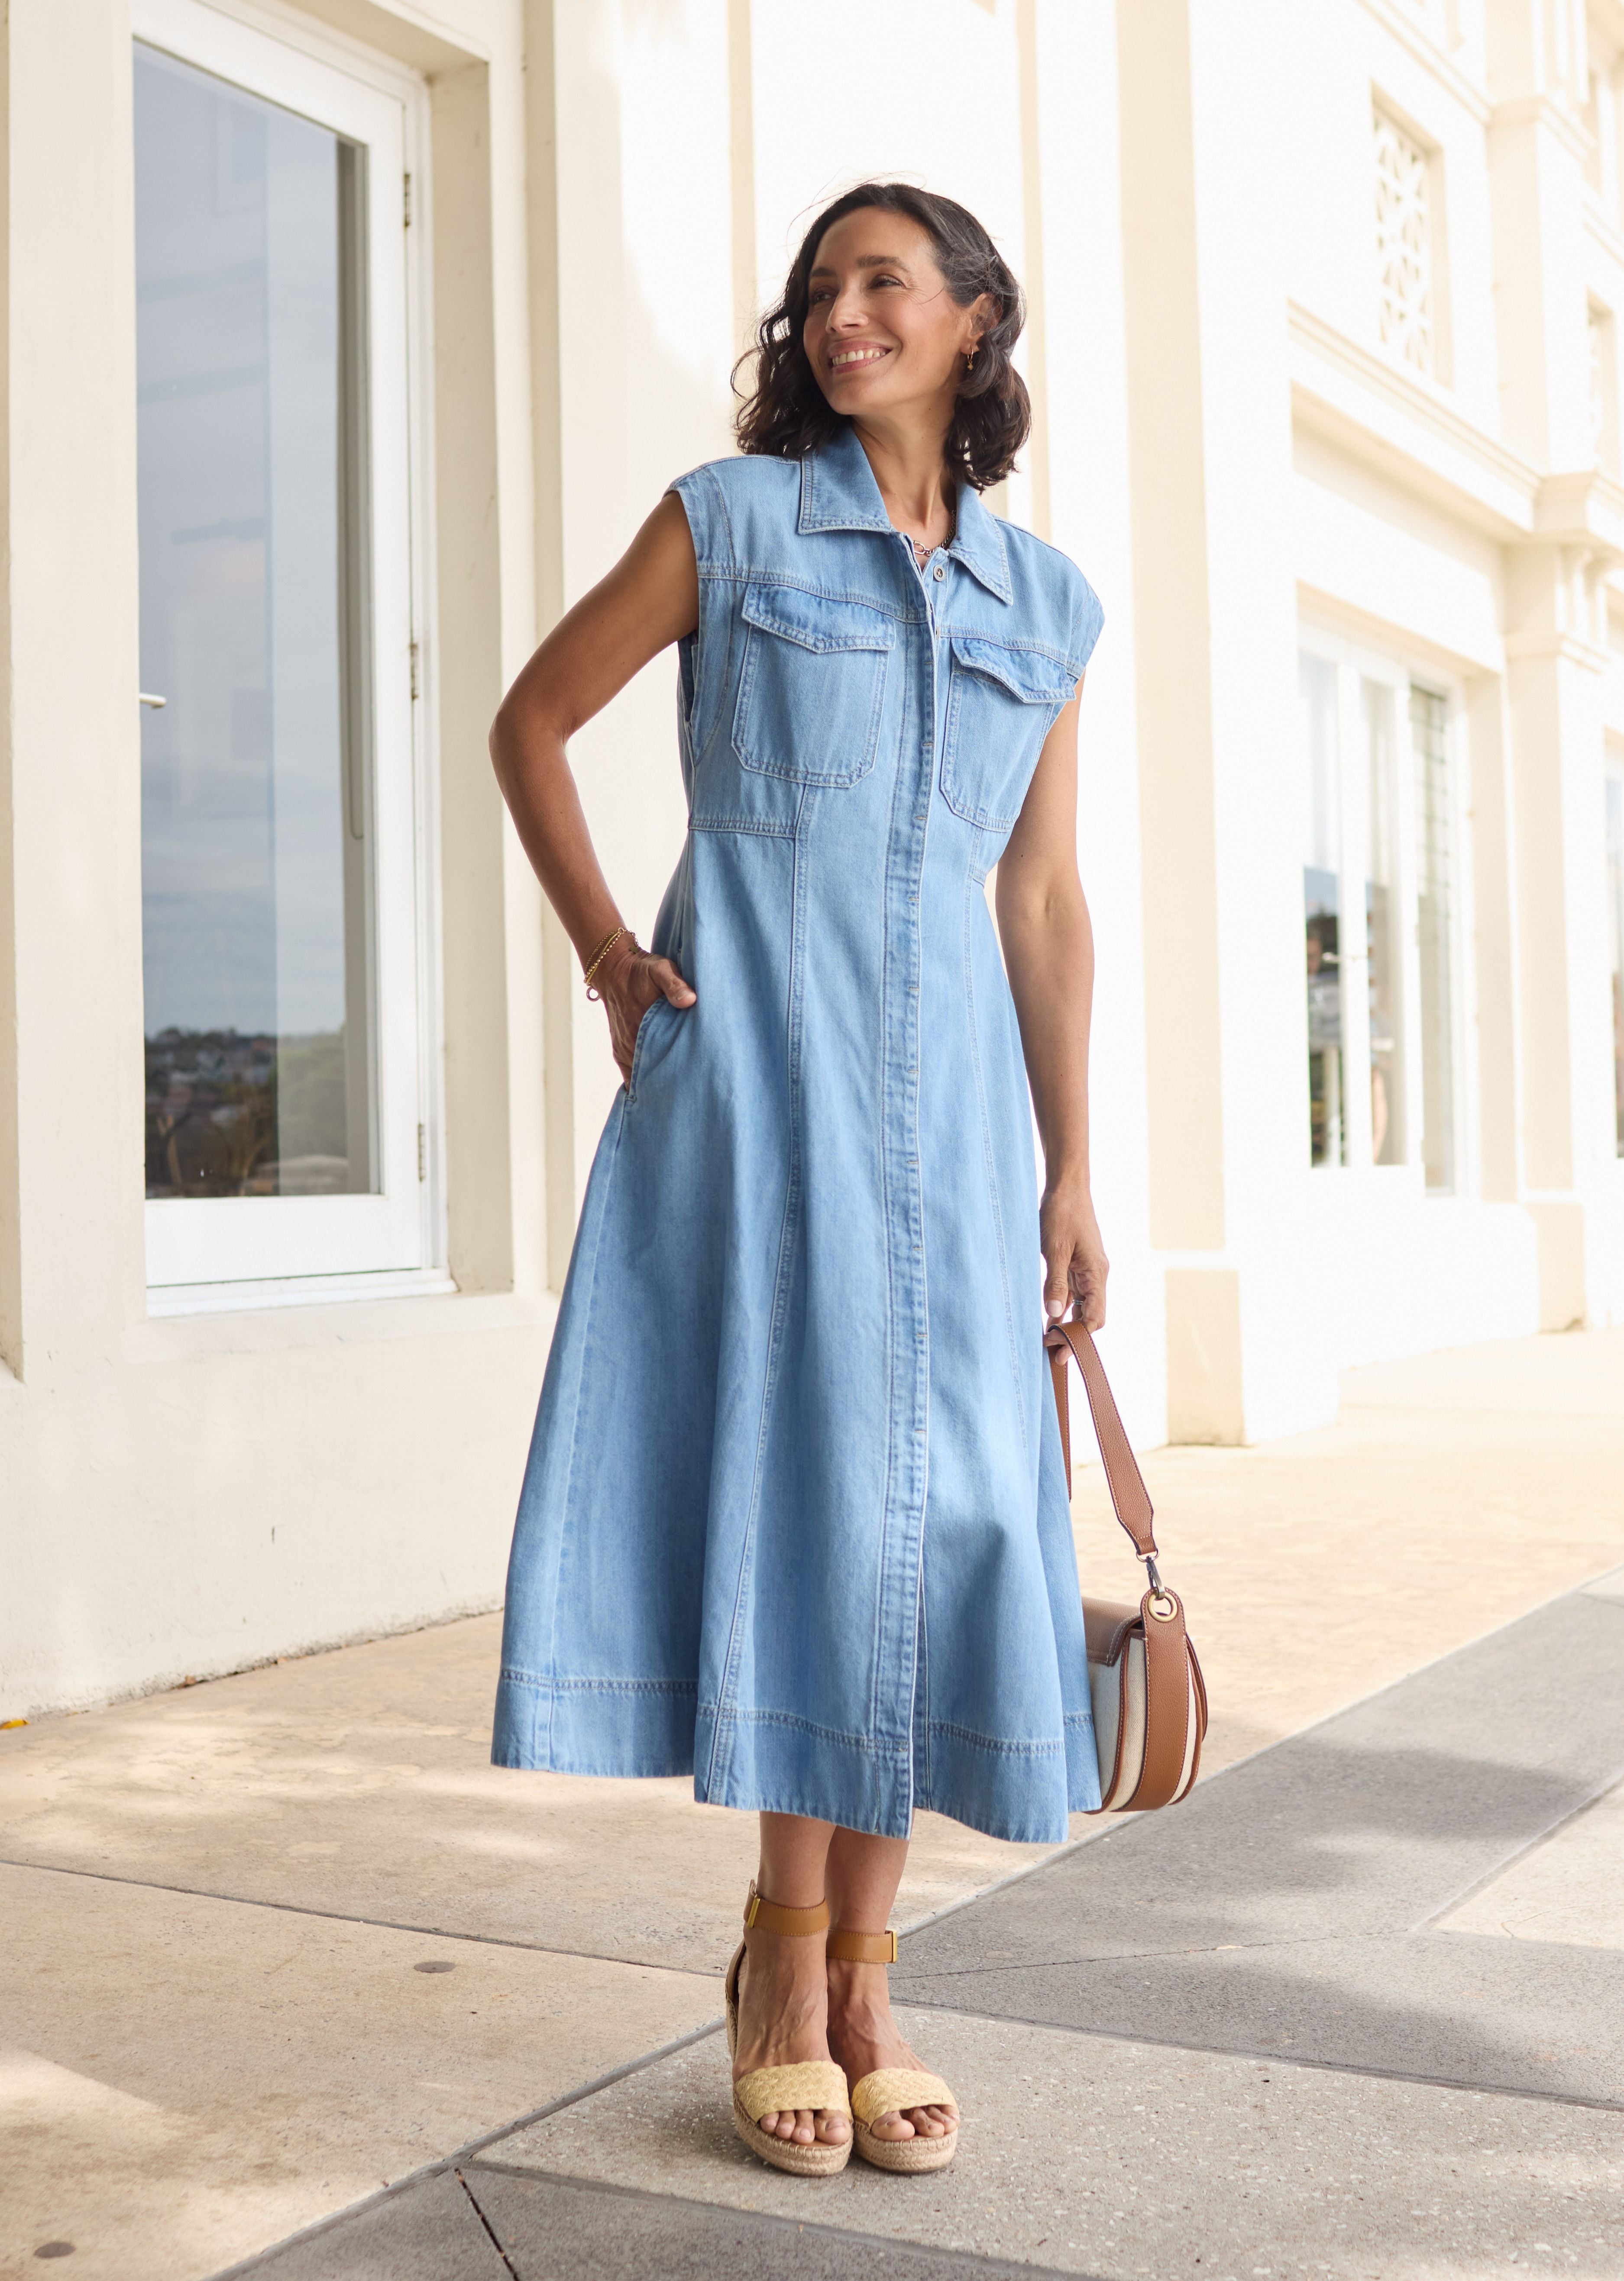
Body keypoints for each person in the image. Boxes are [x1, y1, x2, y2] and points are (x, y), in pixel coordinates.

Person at [489, 182, 1107, 2179]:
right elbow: (530, 723)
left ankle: (867, 1973)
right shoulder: (730, 523)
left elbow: (1039, 899)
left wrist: (1072, 1167)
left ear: (972, 319)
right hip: (761, 1098)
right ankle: (784, 1961)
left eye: (882, 283)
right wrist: (613, 960)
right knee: (820, 1506)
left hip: (964, 1138)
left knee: (940, 1526)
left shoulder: (1046, 604)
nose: (842, 315)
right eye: (820, 290)